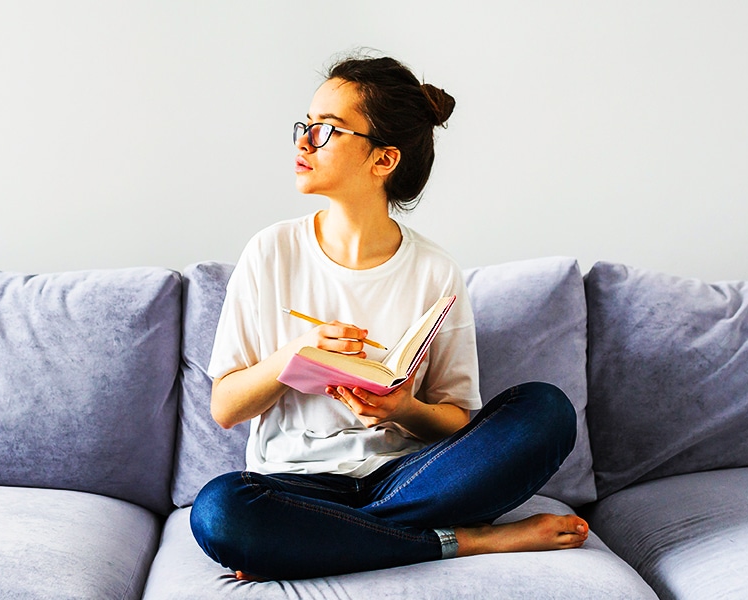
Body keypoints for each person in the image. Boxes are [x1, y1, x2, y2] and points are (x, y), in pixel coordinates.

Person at [190, 54, 588, 581]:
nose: (304, 142)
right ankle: (466, 541)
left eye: (327, 130)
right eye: (305, 126)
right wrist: (293, 356)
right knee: (222, 510)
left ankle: (320, 542)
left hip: (411, 478)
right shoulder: (270, 252)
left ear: (384, 160)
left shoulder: (434, 271)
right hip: (295, 484)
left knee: (547, 410)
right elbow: (224, 407)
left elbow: (456, 420)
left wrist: (403, 408)